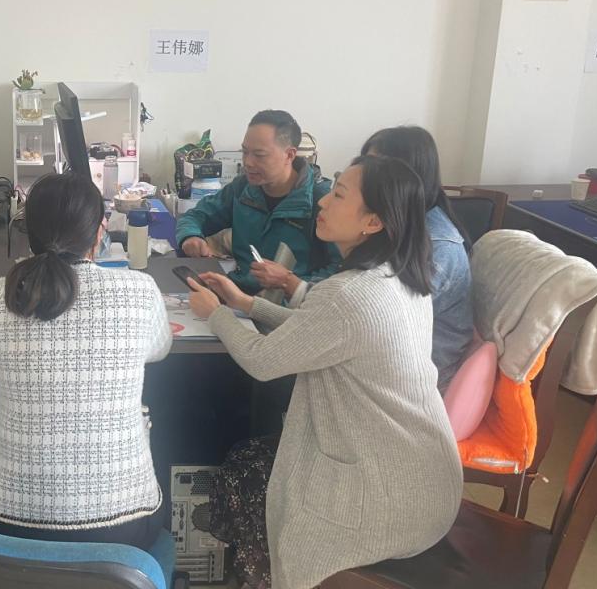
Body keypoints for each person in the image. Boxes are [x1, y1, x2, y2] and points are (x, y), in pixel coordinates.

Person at [186, 156, 461, 589]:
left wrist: (215, 314)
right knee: (249, 461)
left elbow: (262, 360)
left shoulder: (349, 293)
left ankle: (267, 578)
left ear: (373, 222)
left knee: (246, 475)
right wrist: (246, 303)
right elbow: (321, 331)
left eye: (339, 195)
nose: (323, 203)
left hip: (387, 500)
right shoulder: (400, 277)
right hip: (425, 482)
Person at [0, 173, 171, 550]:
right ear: (99, 233)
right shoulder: (140, 292)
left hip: (11, 525)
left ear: (28, 232)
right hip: (123, 525)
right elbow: (159, 349)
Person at [175, 109, 339, 298]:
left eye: (259, 155)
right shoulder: (243, 188)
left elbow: (339, 276)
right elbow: (196, 216)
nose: (248, 163)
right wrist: (191, 236)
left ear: (289, 155)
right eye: (245, 152)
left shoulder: (321, 202)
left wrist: (291, 283)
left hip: (289, 307)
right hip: (238, 294)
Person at [361, 126, 474, 390]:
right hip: (387, 355)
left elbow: (375, 317)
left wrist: (299, 290)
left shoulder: (438, 247)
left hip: (416, 380)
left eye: (374, 168)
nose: (363, 177)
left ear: (409, 176)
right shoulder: (399, 221)